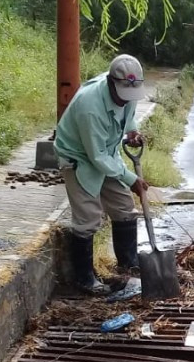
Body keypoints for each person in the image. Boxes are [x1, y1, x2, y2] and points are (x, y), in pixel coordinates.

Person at [54, 55, 149, 295]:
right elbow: (95, 157)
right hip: (80, 157)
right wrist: (131, 179)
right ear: (110, 83)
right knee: (88, 217)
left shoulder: (129, 91)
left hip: (107, 152)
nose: (127, 98)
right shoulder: (90, 107)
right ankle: (84, 279)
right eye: (123, 93)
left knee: (124, 207)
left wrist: (132, 132)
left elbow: (128, 112)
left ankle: (128, 264)